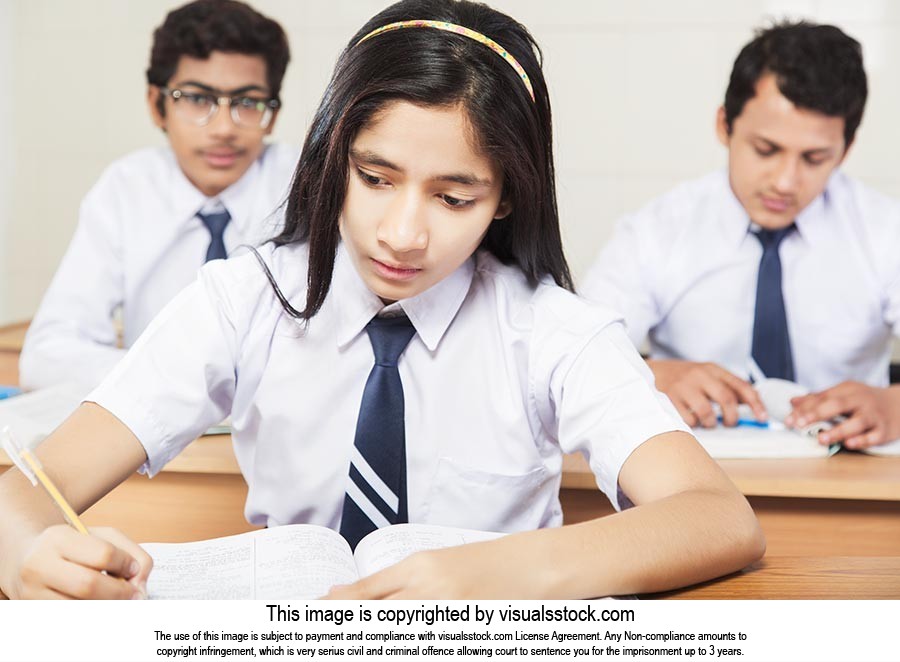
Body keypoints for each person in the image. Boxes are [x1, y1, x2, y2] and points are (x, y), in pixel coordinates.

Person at [0, 0, 763, 600]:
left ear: (504, 199)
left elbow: (718, 517)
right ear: (333, 154)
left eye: (454, 196)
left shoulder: (551, 330)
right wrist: (34, 556)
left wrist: (509, 573)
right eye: (374, 179)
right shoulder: (245, 298)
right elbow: (25, 494)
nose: (402, 234)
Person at [581, 21, 900, 450]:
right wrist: (651, 374)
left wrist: (895, 406)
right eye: (766, 150)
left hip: (848, 479)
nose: (786, 182)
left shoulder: (883, 231)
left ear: (846, 148)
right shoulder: (656, 231)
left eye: (815, 158)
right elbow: (573, 358)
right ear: (724, 126)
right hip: (691, 475)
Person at [18, 0, 298, 391]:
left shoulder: (305, 186)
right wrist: (176, 377)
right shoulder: (127, 188)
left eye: (247, 103)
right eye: (198, 99)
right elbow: (46, 358)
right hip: (154, 430)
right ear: (156, 105)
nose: (222, 128)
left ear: (273, 114)